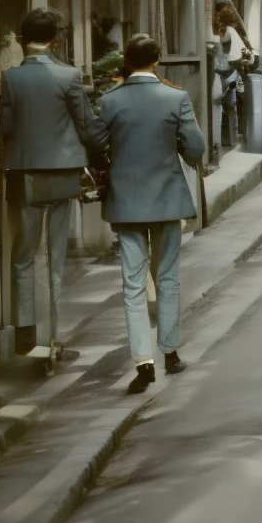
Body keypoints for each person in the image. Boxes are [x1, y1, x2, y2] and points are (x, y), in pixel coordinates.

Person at [90, 33, 206, 394]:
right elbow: (197, 149)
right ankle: (170, 352)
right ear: (157, 60)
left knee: (132, 283)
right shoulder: (176, 97)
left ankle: (142, 362)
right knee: (167, 277)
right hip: (167, 199)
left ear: (126, 60)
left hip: (127, 203)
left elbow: (94, 142)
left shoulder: (111, 101)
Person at [0, 8, 91, 360]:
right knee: (54, 254)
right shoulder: (69, 76)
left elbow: (6, 128)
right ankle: (53, 339)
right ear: (55, 40)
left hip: (23, 174)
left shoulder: (11, 78)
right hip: (63, 171)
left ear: (22, 39)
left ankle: (25, 335)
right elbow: (85, 122)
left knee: (23, 255)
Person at [211, 0, 250, 154]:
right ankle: (230, 141)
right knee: (231, 107)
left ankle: (220, 142)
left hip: (218, 72)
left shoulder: (217, 28)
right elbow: (241, 51)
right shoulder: (230, 31)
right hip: (229, 72)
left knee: (222, 108)